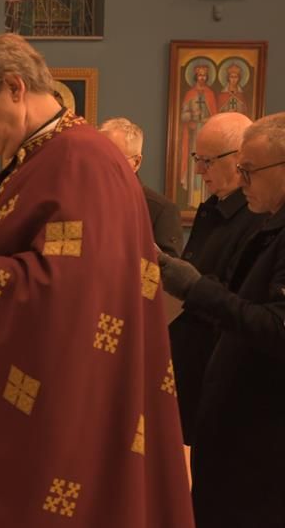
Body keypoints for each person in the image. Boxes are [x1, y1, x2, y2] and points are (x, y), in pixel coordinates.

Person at [0, 34, 194, 527]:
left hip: (76, 403)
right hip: (76, 388)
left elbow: (68, 291)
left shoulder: (78, 160)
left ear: (14, 87)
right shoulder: (50, 156)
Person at [158, 112, 285, 527]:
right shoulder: (268, 221)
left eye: (250, 171)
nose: (243, 182)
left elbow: (275, 327)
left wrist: (195, 288)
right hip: (232, 423)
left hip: (259, 435)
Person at [168, 112, 264, 447]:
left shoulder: (257, 217)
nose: (198, 170)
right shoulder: (211, 208)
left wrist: (190, 285)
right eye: (197, 159)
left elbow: (241, 301)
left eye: (206, 161)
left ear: (239, 158)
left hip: (219, 370)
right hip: (188, 360)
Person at [98, 117, 184, 257]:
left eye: (113, 159)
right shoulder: (84, 200)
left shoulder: (161, 210)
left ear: (136, 162)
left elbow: (168, 268)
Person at [180, 64, 218, 208]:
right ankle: (193, 200)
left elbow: (215, 116)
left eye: (204, 75)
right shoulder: (190, 94)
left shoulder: (210, 94)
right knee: (194, 164)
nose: (202, 78)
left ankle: (204, 199)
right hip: (193, 134)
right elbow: (183, 115)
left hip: (206, 134)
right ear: (196, 76)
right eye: (200, 75)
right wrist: (192, 117)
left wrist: (207, 120)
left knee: (206, 163)